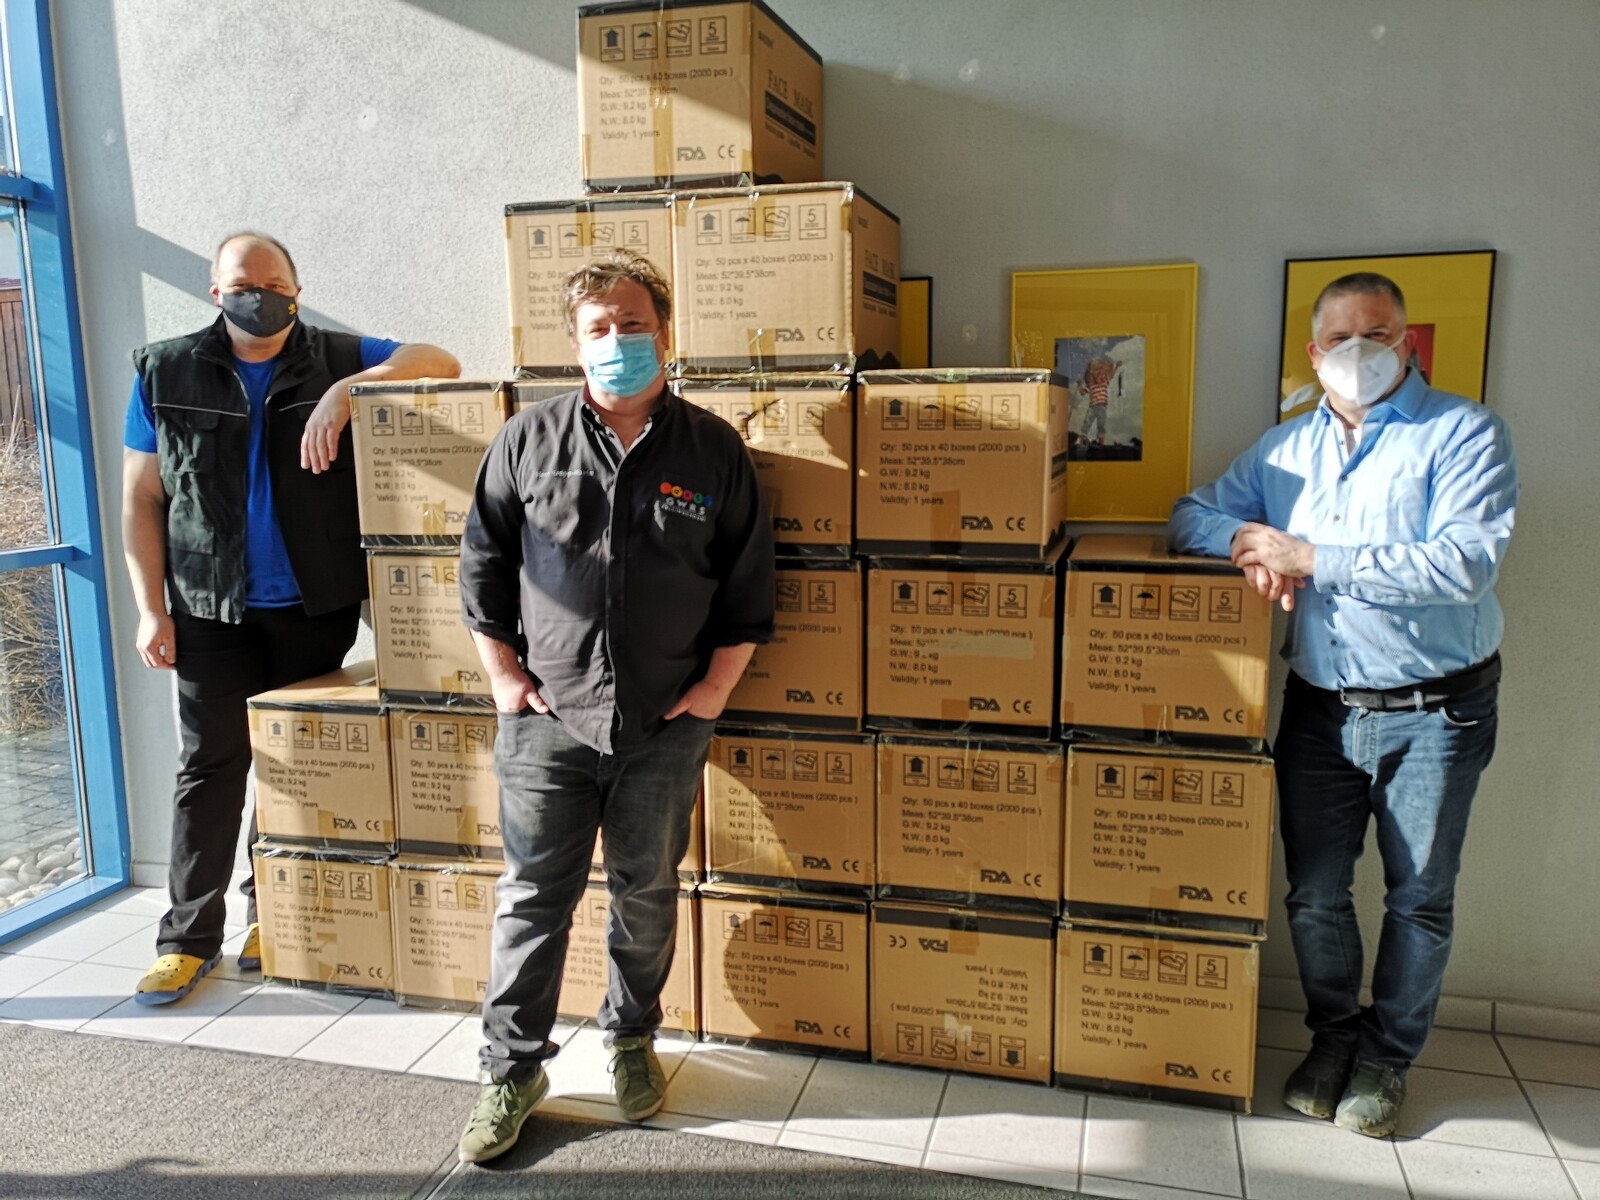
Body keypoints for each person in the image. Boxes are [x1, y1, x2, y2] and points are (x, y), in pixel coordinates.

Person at [1168, 272, 1516, 1137]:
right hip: (1322, 708)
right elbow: (1188, 516)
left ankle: (1387, 1060)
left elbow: (1463, 565)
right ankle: (1333, 1040)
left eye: (1379, 333)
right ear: (1314, 353)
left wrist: (1313, 557)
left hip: (1437, 712)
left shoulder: (1464, 432)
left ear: (1408, 342)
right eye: (1340, 339)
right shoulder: (1285, 449)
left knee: (1417, 897)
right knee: (1314, 894)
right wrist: (1246, 538)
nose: (1360, 351)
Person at [454, 249, 774, 1164]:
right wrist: (503, 678)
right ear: (575, 343)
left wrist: (711, 694)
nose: (618, 340)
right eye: (599, 328)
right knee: (532, 899)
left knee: (646, 892)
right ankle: (511, 1070)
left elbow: (749, 583)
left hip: (664, 727)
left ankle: (631, 1040)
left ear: (664, 335)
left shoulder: (712, 450)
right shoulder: (528, 440)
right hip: (547, 723)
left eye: (634, 324)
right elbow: (481, 566)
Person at [122, 232, 459, 1004]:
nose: (260, 297)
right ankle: (185, 939)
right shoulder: (164, 370)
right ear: (215, 292)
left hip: (313, 607)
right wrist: (148, 610)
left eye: (275, 285)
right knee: (210, 769)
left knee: (293, 769)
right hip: (208, 609)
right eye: (243, 285)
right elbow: (140, 498)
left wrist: (349, 392)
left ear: (296, 292)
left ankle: (268, 915)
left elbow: (439, 361)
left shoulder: (337, 356)